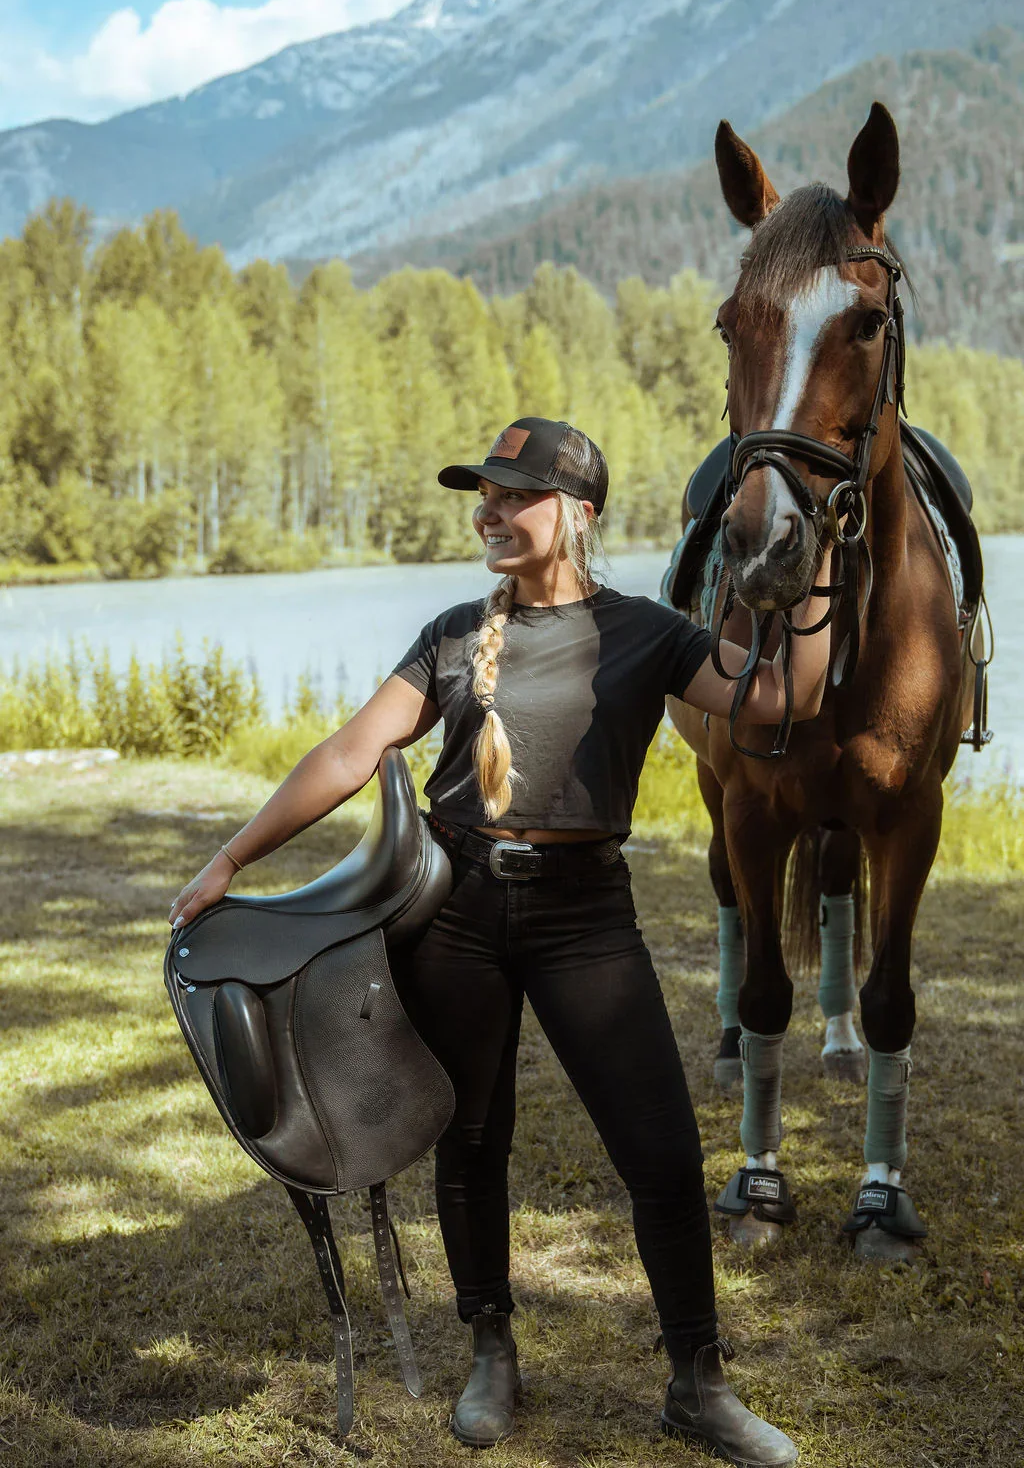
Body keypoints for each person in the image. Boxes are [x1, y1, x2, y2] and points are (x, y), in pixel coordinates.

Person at [169, 418, 832, 1467]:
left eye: (513, 495)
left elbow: (781, 696)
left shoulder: (648, 633)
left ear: (577, 513)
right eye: (484, 495)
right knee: (472, 1140)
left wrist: (812, 578)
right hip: (457, 912)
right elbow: (349, 752)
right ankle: (492, 1350)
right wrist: (230, 859)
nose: (490, 511)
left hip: (586, 917)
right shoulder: (448, 636)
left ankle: (698, 1383)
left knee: (661, 1152)